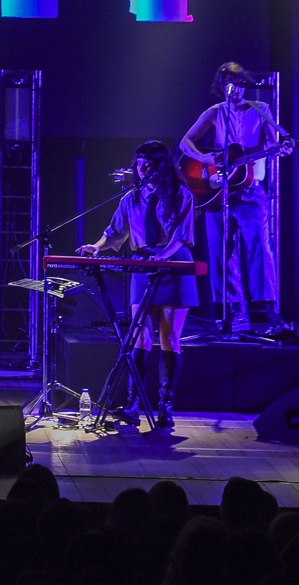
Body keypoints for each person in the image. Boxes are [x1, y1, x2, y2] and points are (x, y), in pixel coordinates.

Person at [80, 140, 199, 428]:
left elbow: (181, 237)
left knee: (170, 336)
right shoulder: (131, 198)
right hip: (143, 267)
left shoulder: (181, 195)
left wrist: (162, 257)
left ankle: (165, 405)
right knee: (139, 335)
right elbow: (114, 233)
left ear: (161, 166)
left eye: (148, 165)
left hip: (173, 266)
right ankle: (134, 403)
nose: (142, 170)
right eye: (139, 165)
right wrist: (96, 246)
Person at [180, 62, 288, 334]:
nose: (235, 89)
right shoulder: (215, 112)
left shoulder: (261, 110)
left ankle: (269, 311)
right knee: (220, 254)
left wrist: (281, 148)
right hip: (219, 191)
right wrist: (205, 158)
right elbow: (185, 142)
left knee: (260, 248)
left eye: (239, 84)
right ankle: (235, 311)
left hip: (251, 192)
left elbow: (269, 143)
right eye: (229, 84)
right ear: (222, 86)